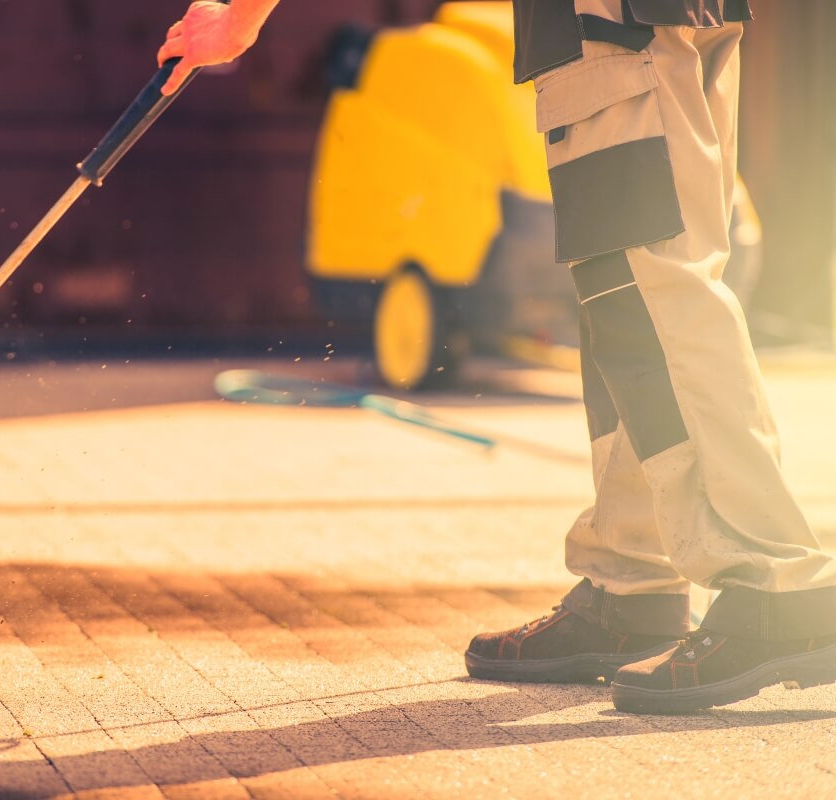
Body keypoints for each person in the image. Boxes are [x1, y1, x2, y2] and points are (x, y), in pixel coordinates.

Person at [158, 0, 836, 715]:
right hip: (642, 21)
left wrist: (241, 13)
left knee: (648, 283)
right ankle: (631, 580)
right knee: (624, 292)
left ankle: (774, 586)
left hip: (612, 23)